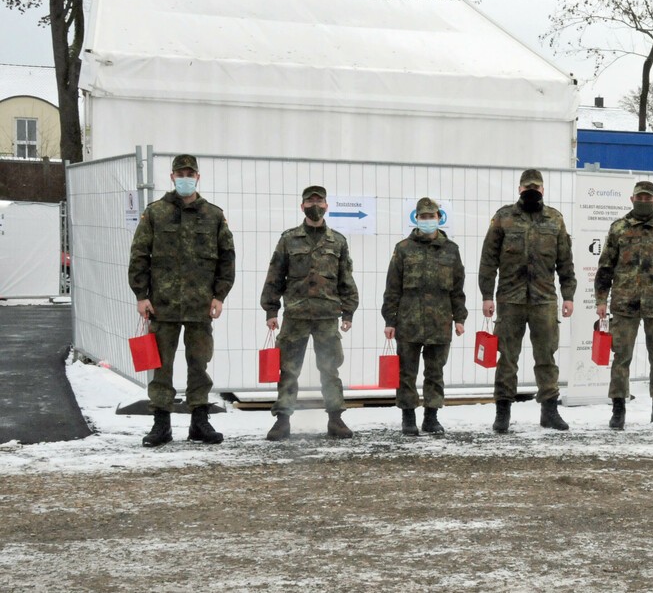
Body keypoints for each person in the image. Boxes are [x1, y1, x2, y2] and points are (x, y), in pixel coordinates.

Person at [129, 154, 236, 447]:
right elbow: (139, 255)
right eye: (180, 173)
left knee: (199, 364)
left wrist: (219, 295)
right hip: (162, 306)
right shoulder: (155, 213)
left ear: (197, 177)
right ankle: (161, 424)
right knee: (161, 367)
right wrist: (141, 296)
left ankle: (199, 422)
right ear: (172, 177)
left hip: (200, 306)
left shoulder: (213, 215)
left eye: (190, 173)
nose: (185, 177)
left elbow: (227, 258)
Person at [478, 168, 576, 433]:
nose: (531, 191)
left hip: (544, 300)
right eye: (526, 187)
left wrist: (569, 296)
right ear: (519, 189)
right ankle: (502, 412)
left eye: (536, 187)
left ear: (543, 190)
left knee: (546, 357)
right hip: (510, 300)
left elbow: (565, 261)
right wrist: (487, 295)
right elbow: (488, 259)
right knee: (507, 358)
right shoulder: (503, 218)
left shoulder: (555, 219)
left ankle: (549, 411)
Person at [260, 185, 359, 441]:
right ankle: (282, 421)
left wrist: (348, 312)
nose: (315, 205)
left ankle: (336, 419)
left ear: (327, 205)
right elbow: (275, 276)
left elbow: (345, 279)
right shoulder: (288, 239)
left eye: (319, 201)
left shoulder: (338, 241)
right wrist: (272, 309)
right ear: (302, 206)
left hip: (327, 315)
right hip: (296, 315)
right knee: (289, 369)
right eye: (310, 201)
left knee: (330, 369)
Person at [596, 180, 653, 430]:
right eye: (640, 198)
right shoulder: (618, 229)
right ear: (632, 199)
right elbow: (605, 267)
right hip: (624, 304)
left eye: (648, 198)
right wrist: (601, 300)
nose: (644, 202)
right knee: (621, 358)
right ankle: (618, 409)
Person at [381, 197, 468, 436]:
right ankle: (408, 417)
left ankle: (431, 417)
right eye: (423, 217)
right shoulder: (403, 249)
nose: (428, 220)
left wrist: (459, 318)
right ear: (416, 219)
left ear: (439, 219)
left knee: (435, 372)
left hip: (440, 322)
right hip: (408, 322)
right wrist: (390, 320)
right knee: (406, 372)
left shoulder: (451, 250)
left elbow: (458, 288)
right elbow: (392, 288)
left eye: (432, 216)